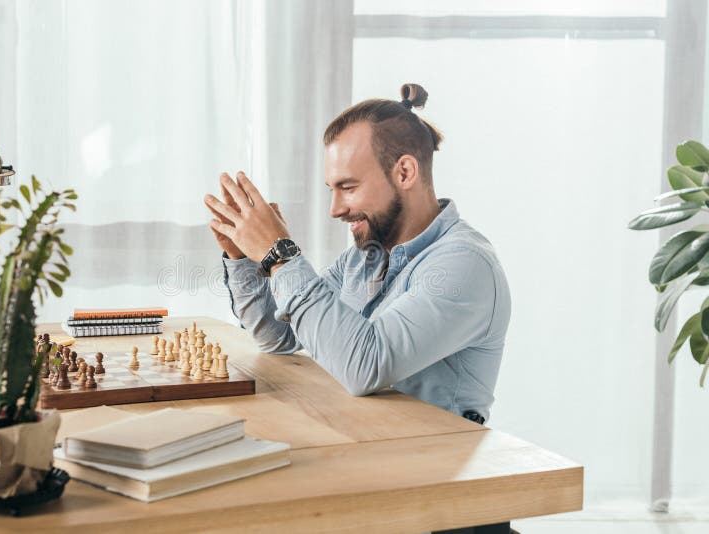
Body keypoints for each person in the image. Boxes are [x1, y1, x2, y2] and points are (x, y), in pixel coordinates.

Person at [203, 83, 511, 421]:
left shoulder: (465, 264)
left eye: (348, 187)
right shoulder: (365, 257)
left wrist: (280, 254)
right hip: (363, 443)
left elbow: (364, 365)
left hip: (431, 460)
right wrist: (244, 258)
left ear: (405, 172)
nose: (335, 210)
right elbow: (282, 337)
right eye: (331, 189)